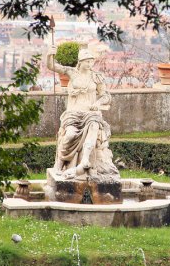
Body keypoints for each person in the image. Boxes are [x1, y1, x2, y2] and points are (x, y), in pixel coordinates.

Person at [47, 45, 118, 180]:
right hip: (73, 114)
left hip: (90, 113)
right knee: (70, 135)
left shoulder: (96, 77)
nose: (90, 64)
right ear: (81, 61)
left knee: (94, 125)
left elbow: (106, 96)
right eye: (87, 61)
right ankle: (60, 163)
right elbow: (52, 66)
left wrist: (97, 104)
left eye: (91, 61)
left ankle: (85, 160)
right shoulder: (71, 72)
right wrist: (49, 55)